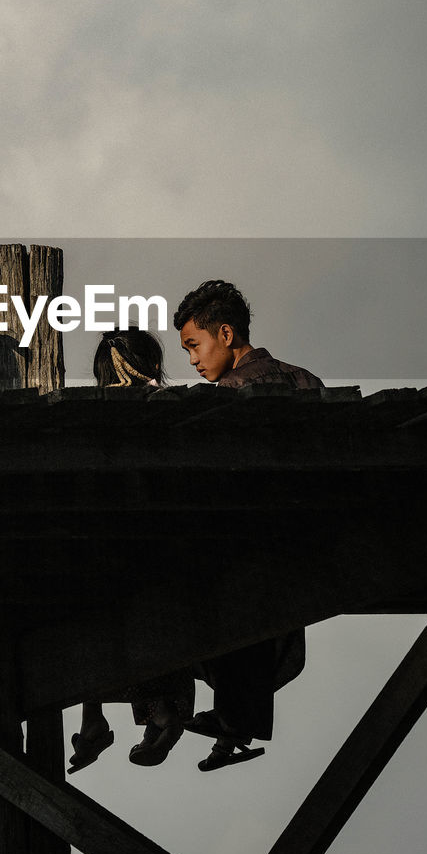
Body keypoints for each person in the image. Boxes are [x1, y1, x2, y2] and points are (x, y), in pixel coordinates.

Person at [173, 279, 322, 771]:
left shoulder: (224, 397)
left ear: (227, 333)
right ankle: (236, 722)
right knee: (261, 626)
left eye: (195, 345)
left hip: (241, 540)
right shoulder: (305, 382)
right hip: (307, 535)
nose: (192, 360)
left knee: (214, 605)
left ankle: (233, 720)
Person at [67, 328, 195, 774]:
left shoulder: (103, 415)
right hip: (180, 549)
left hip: (121, 550)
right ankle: (136, 717)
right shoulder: (180, 408)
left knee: (90, 600)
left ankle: (103, 720)